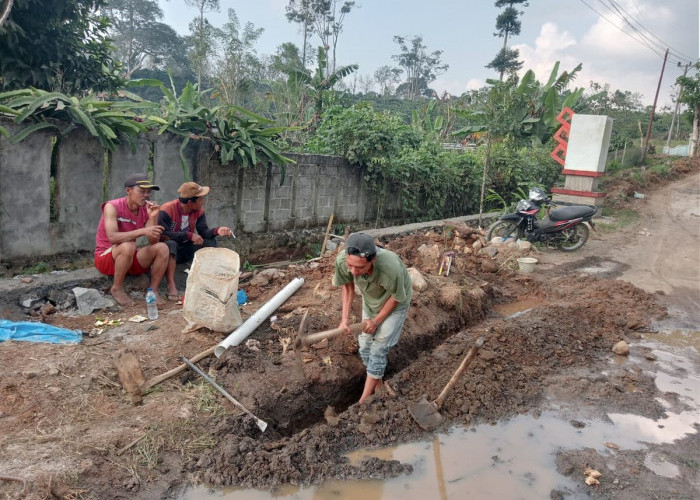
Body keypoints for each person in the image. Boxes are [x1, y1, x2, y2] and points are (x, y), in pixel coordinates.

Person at [333, 232, 413, 403]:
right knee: (364, 347)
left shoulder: (390, 267)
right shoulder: (342, 261)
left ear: (373, 259)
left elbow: (396, 297)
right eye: (350, 265)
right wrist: (344, 320)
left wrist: (377, 321)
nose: (354, 272)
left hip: (395, 303)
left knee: (378, 348)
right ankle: (378, 383)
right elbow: (348, 288)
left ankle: (363, 402)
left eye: (360, 268)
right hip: (371, 302)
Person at [94, 173, 170, 306]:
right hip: (106, 256)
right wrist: (142, 231)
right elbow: (112, 237)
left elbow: (153, 242)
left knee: (162, 248)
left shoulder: (145, 211)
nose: (146, 195)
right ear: (128, 191)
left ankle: (153, 291)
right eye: (142, 191)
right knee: (128, 246)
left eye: (149, 192)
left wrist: (152, 217)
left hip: (128, 257)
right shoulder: (112, 206)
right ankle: (117, 288)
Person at [157, 181, 234, 300]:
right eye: (200, 199)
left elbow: (204, 232)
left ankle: (217, 276)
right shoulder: (166, 210)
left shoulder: (199, 211)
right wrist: (188, 235)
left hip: (186, 248)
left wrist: (217, 231)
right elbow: (162, 234)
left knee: (210, 243)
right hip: (169, 251)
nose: (202, 202)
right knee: (170, 244)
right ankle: (171, 285)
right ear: (189, 202)